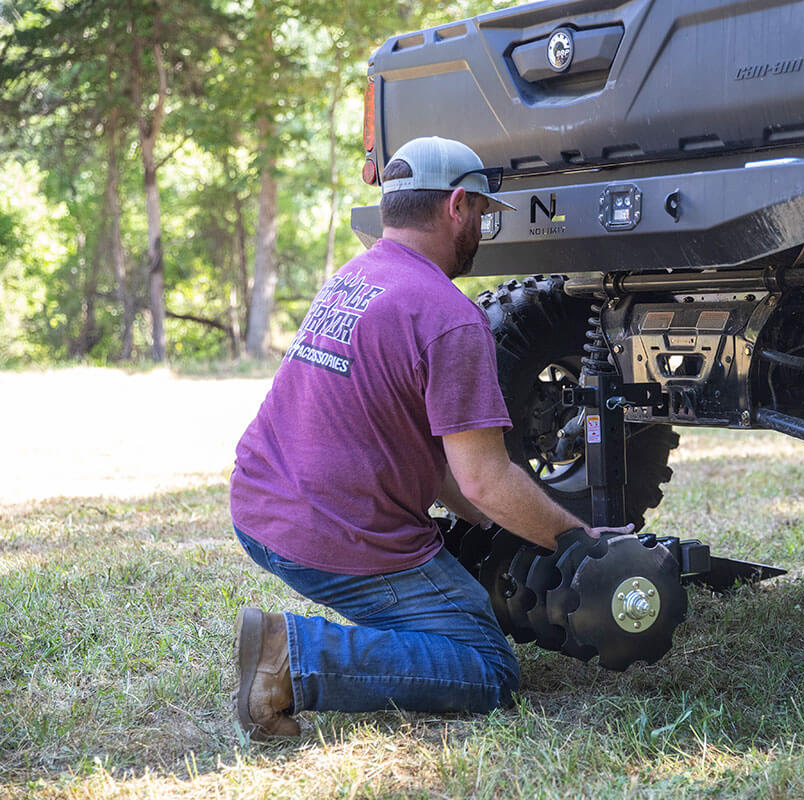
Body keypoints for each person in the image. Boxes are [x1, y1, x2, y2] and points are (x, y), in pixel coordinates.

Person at [230, 136, 630, 741]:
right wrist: (577, 541)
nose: (482, 229)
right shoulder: (447, 315)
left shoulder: (355, 277)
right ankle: (295, 655)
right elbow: (483, 479)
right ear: (457, 206)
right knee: (486, 667)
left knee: (448, 617)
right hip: (330, 531)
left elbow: (447, 467)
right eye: (484, 215)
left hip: (261, 507)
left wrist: (515, 525)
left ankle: (299, 649)